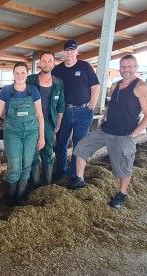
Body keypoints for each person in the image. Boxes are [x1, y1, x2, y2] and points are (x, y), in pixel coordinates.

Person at [70, 54, 147, 210]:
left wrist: (134, 134)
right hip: (105, 130)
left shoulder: (140, 86)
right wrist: (104, 119)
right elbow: (111, 106)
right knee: (80, 148)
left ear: (136, 68)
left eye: (130, 66)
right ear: (119, 69)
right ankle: (79, 179)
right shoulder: (115, 86)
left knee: (123, 168)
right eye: (123, 67)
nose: (126, 70)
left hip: (124, 134)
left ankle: (121, 195)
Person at [0, 62, 45, 207]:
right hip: (13, 132)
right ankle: (10, 195)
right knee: (14, 166)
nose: (20, 76)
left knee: (26, 165)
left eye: (23, 73)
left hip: (31, 132)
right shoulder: (7, 91)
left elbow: (39, 115)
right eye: (17, 73)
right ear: (13, 75)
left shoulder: (33, 91)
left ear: (27, 74)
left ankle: (19, 196)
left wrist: (42, 136)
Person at [51, 39, 100, 181]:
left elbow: (95, 87)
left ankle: (74, 174)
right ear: (63, 53)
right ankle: (61, 171)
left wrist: (91, 106)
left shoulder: (85, 67)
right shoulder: (57, 70)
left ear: (77, 52)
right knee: (61, 143)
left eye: (72, 50)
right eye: (67, 50)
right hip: (64, 112)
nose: (69, 53)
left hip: (83, 112)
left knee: (79, 144)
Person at [27, 50, 65, 188]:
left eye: (50, 60)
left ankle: (47, 184)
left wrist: (58, 123)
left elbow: (61, 105)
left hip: (49, 121)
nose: (46, 63)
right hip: (31, 122)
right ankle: (36, 184)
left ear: (54, 63)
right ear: (39, 63)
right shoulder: (30, 80)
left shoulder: (58, 83)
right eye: (43, 60)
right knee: (33, 151)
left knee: (48, 151)